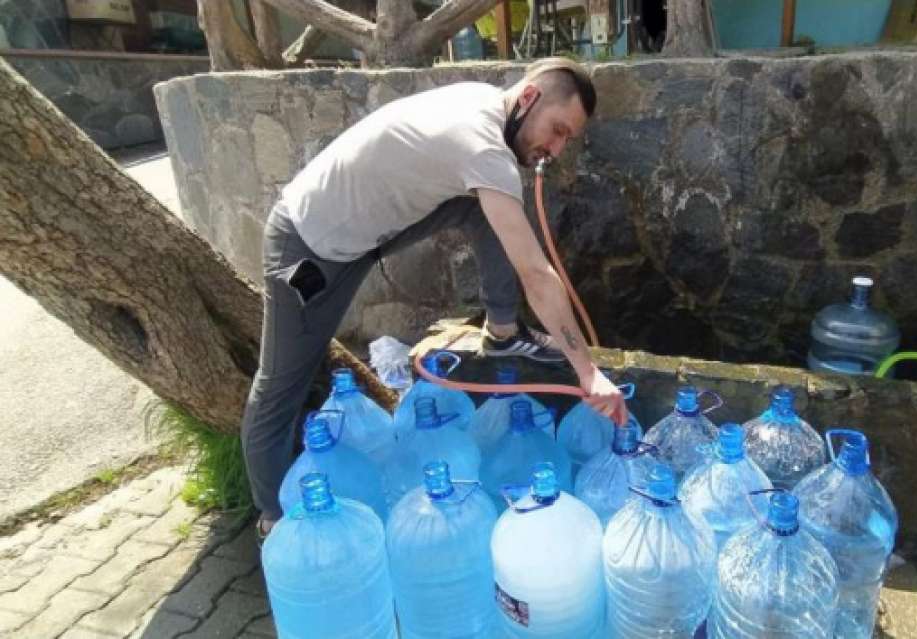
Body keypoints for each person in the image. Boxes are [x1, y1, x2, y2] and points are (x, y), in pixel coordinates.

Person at [242, 57, 628, 538]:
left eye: (566, 138)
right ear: (528, 98)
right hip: (310, 246)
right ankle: (273, 520)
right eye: (556, 129)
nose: (555, 148)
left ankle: (502, 331)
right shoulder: (483, 145)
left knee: (486, 207)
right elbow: (536, 272)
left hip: (365, 238)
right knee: (281, 383)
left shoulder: (487, 107)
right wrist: (588, 373)